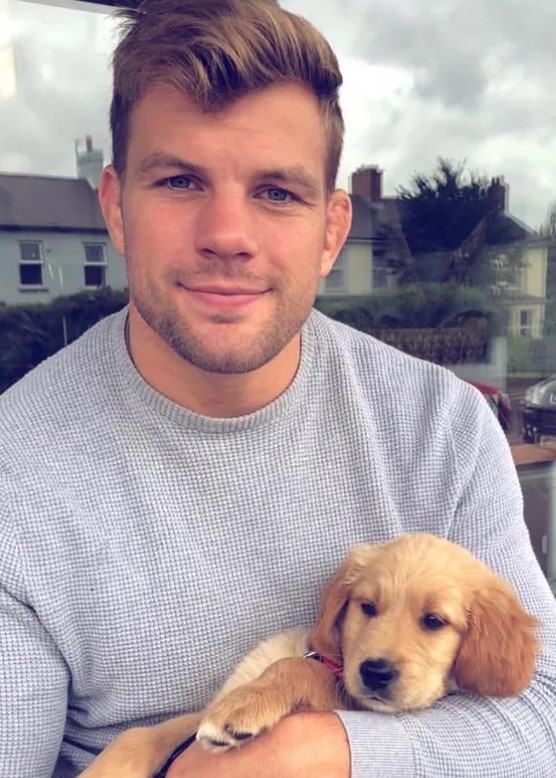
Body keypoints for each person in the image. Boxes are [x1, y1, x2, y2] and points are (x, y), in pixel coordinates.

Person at [1, 0, 555, 775]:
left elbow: (543, 714)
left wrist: (317, 749)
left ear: (331, 231)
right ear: (116, 211)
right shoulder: (13, 472)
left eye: (276, 193)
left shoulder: (443, 427)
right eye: (181, 180)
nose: (228, 234)